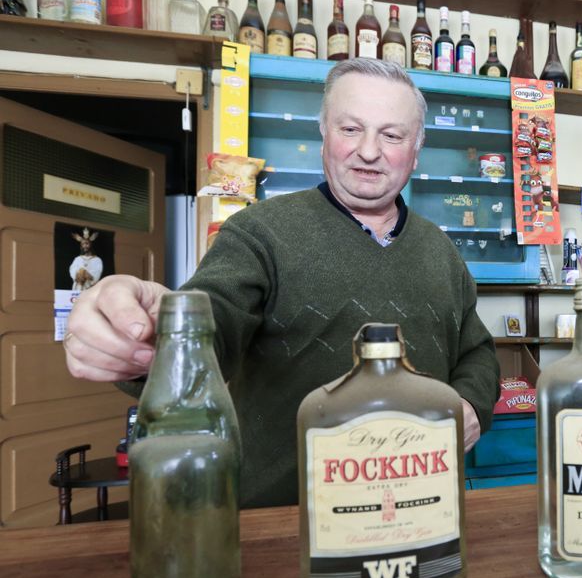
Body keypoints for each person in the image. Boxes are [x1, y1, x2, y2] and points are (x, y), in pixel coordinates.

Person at [64, 59, 500, 508]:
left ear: (416, 149)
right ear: (323, 134)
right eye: (350, 129)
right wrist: (157, 332)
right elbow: (213, 325)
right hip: (286, 523)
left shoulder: (441, 251)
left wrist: (470, 404)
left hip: (423, 510)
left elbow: (476, 353)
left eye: (392, 135)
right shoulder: (259, 234)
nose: (369, 151)